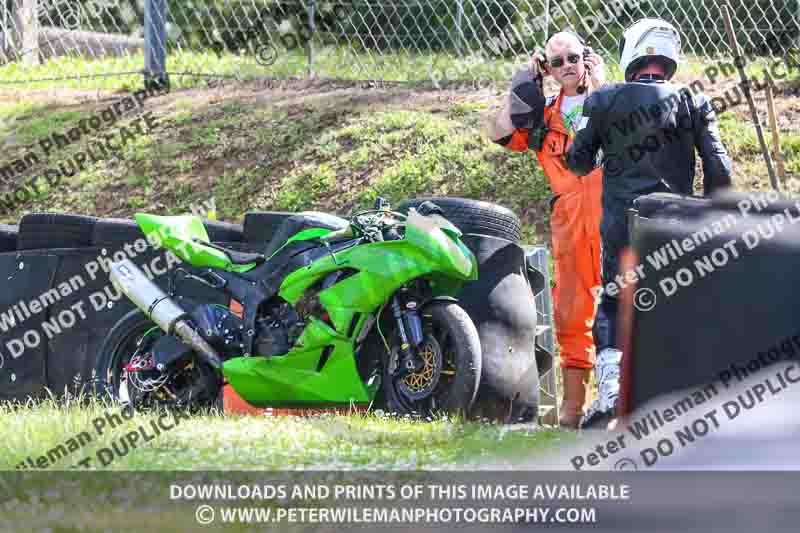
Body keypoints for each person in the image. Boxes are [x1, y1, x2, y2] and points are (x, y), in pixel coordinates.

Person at [565, 18, 733, 428]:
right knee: (682, 306)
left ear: (633, 52)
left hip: (624, 223)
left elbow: (577, 161)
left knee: (612, 301)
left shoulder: (604, 99)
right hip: (677, 225)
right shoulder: (694, 100)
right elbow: (721, 172)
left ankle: (610, 396)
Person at [488, 30, 607, 428]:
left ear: (585, 58)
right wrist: (524, 81)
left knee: (628, 303)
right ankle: (574, 410)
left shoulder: (610, 99)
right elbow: (497, 130)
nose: (567, 66)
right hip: (570, 220)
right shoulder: (542, 115)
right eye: (557, 62)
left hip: (613, 211)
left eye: (573, 57)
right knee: (573, 310)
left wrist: (602, 82)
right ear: (549, 69)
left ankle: (625, 402)